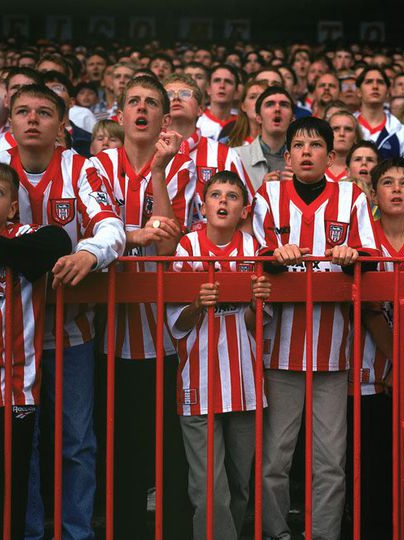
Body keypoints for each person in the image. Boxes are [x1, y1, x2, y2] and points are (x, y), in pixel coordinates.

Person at [0, 83, 125, 540]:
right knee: (23, 446)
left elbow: (110, 226)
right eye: (21, 111)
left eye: (44, 112)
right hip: (4, 339)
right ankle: (28, 532)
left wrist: (89, 254)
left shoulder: (81, 167)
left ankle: (77, 533)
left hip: (69, 329)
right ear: (12, 120)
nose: (31, 119)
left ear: (63, 124)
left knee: (76, 443)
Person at [251, 116, 379, 540]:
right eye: (299, 146)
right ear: (287, 155)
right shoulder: (268, 193)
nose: (307, 152)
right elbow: (255, 255)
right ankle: (274, 532)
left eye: (316, 145)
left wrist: (352, 255)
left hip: (333, 350)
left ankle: (323, 534)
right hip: (278, 349)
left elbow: (371, 258)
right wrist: (274, 254)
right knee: (274, 458)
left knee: (330, 460)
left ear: (331, 154)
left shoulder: (352, 198)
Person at [90, 75, 196, 539]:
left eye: (151, 103)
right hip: (109, 330)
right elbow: (95, 227)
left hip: (167, 335)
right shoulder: (97, 166)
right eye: (133, 101)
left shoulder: (182, 168)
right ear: (120, 113)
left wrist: (157, 170)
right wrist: (135, 235)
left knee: (170, 451)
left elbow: (170, 242)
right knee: (120, 449)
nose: (141, 109)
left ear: (164, 118)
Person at [166, 171, 270, 540]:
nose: (223, 201)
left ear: (244, 209)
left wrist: (258, 301)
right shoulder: (187, 248)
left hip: (244, 385)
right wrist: (197, 304)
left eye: (232, 196)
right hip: (198, 383)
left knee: (240, 485)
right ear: (204, 205)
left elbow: (259, 324)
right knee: (210, 490)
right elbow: (174, 323)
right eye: (215, 195)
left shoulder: (254, 249)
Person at [0, 160, 71, 540]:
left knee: (6, 497)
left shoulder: (28, 234)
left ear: (13, 207)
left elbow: (58, 243)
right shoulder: (18, 245)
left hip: (12, 392)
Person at [345, 156, 404, 538]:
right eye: (388, 182)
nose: (397, 189)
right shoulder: (362, 237)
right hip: (368, 367)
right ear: (374, 193)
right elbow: (366, 308)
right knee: (371, 461)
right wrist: (402, 362)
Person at [163, 74, 254, 222]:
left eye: (185, 94)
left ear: (200, 109)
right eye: (169, 95)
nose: (176, 98)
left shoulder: (226, 155)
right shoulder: (145, 151)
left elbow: (246, 212)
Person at [233, 86, 295, 190]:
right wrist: (261, 193)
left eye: (284, 105)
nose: (277, 109)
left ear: (292, 118)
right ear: (258, 118)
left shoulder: (304, 159)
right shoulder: (236, 157)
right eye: (270, 104)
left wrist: (301, 188)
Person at [355, 66, 404, 165]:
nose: (375, 86)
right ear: (358, 92)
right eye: (369, 82)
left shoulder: (403, 133)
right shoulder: (346, 128)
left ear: (388, 92)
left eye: (380, 82)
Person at [197, 64, 239, 141]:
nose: (222, 86)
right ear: (208, 88)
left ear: (236, 92)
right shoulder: (196, 121)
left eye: (228, 82)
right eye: (217, 80)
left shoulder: (243, 125)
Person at [327, 110, 361, 182]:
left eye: (348, 129)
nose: (341, 134)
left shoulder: (362, 170)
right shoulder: (316, 168)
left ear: (356, 136)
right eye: (335, 129)